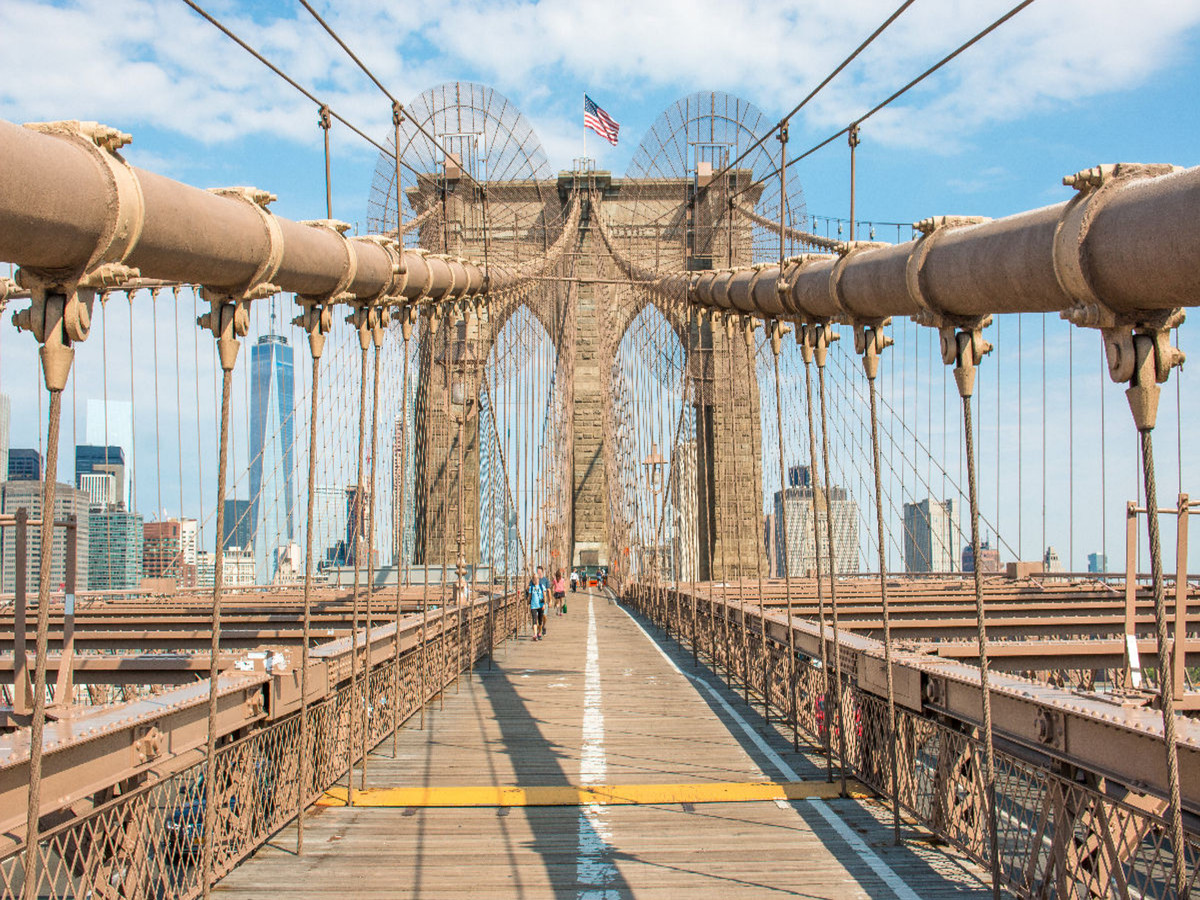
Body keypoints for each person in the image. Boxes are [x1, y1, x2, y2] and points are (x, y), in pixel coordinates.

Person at [527, 569, 546, 640]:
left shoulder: (542, 586)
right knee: (534, 620)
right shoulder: (531, 588)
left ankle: (539, 633)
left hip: (540, 605)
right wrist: (527, 603)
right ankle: (535, 634)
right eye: (533, 578)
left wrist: (544, 604)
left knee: (540, 621)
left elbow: (544, 596)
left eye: (536, 578)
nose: (534, 580)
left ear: (538, 579)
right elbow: (529, 597)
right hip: (533, 606)